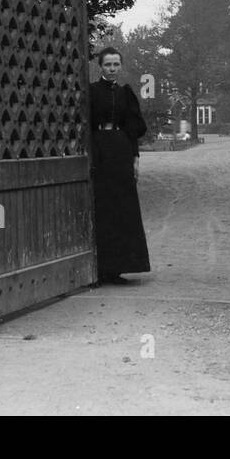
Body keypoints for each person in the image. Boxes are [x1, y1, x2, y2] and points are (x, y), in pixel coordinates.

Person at [89, 47, 151, 284]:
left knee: (122, 209)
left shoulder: (126, 93)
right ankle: (100, 268)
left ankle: (118, 268)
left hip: (121, 151)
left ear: (120, 66)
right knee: (102, 208)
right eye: (108, 65)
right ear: (100, 67)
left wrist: (134, 157)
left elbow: (133, 129)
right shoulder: (92, 91)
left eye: (116, 65)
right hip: (99, 149)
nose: (112, 69)